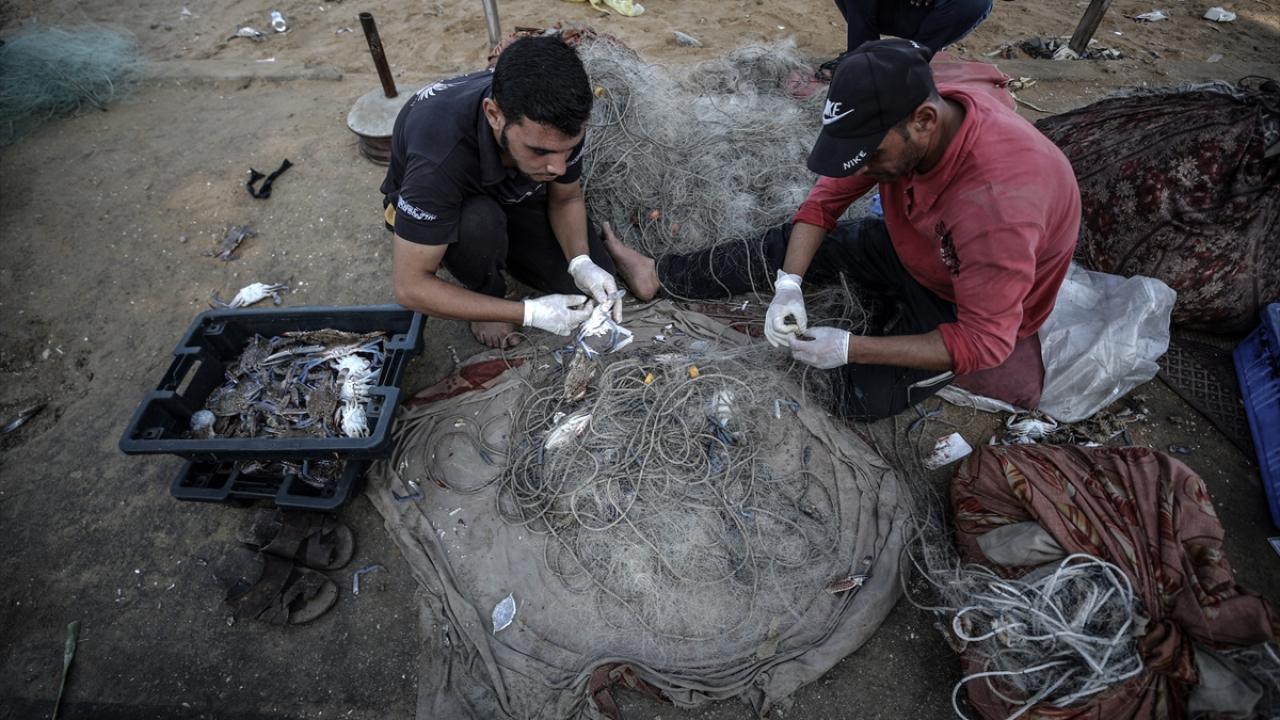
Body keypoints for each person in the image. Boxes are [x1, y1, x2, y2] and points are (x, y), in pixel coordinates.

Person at [605, 39, 1080, 421]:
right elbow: (823, 203)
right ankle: (658, 274)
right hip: (912, 248)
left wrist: (850, 348)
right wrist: (789, 285)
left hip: (957, 302)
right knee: (790, 244)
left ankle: (880, 333)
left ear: (924, 122)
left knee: (856, 398)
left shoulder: (999, 205)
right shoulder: (907, 121)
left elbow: (984, 342)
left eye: (871, 156)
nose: (863, 168)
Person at [382, 36, 623, 349]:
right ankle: (485, 292)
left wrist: (580, 261)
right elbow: (410, 287)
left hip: (510, 191)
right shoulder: (437, 160)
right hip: (457, 207)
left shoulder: (560, 126)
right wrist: (528, 313)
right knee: (479, 222)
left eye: (568, 150)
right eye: (540, 151)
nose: (558, 168)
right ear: (494, 115)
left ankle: (512, 248)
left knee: (588, 286)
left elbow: (566, 198)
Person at [832, 0, 993, 54]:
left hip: (930, 15)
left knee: (977, 2)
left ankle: (913, 60)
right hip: (882, 8)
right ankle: (860, 59)